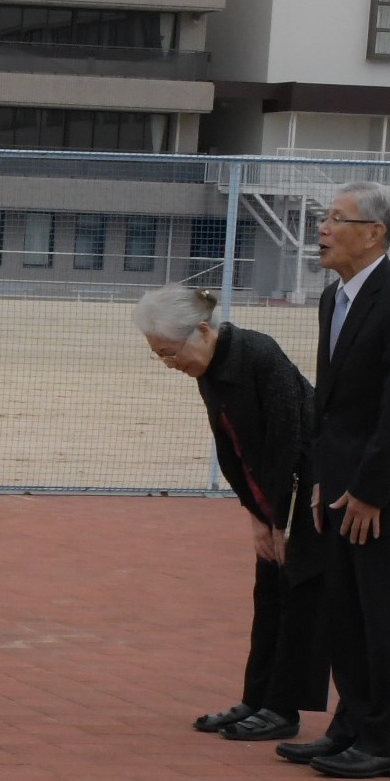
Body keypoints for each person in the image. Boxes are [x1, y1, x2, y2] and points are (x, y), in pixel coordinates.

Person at [278, 182, 390, 780]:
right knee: (345, 618)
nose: (322, 229)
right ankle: (350, 728)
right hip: (340, 489)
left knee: (385, 621)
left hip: (388, 496)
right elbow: (332, 407)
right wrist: (324, 478)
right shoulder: (335, 298)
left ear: (374, 233)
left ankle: (387, 743)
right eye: (323, 218)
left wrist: (371, 491)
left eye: (336, 219)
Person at [134, 285, 328, 744]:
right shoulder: (208, 369)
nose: (169, 363)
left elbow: (290, 440)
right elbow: (232, 450)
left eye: (170, 352)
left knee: (298, 597)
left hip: (308, 489)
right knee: (268, 597)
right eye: (159, 355)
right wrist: (255, 514)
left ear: (202, 331)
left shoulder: (258, 354)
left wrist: (280, 521)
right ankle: (257, 698)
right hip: (271, 495)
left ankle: (283, 709)